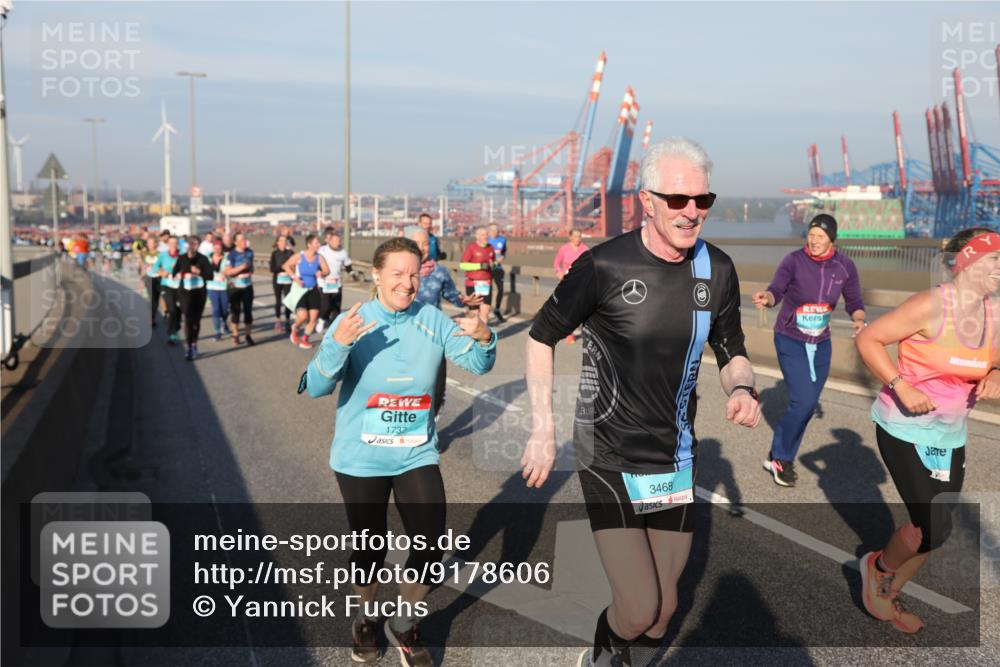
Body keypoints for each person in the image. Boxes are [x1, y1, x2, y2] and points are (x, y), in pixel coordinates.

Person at [522, 138, 761, 667]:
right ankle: (603, 656)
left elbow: (732, 350)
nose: (691, 212)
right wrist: (543, 429)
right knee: (637, 609)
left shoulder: (716, 270)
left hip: (674, 458)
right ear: (646, 201)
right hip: (607, 454)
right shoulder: (602, 266)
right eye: (677, 200)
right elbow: (540, 337)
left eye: (702, 200)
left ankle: (630, 654)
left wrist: (741, 388)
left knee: (663, 610)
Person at [301, 237, 496, 666]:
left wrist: (484, 336)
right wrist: (338, 345)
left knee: (429, 544)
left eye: (414, 274)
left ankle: (404, 623)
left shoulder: (432, 319)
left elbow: (479, 365)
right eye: (397, 274)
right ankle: (366, 617)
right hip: (360, 457)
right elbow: (315, 386)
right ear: (375, 275)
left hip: (415, 453)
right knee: (369, 547)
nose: (407, 284)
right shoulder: (352, 321)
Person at [854, 227, 999, 634]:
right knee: (934, 525)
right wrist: (901, 385)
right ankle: (878, 568)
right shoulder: (930, 305)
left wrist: (996, 375)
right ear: (966, 262)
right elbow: (869, 339)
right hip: (904, 429)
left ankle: (884, 588)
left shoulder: (993, 313)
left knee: (937, 530)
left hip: (950, 437)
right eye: (994, 260)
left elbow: (995, 360)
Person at [751, 214, 866, 487]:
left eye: (820, 236)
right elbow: (776, 289)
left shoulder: (845, 266)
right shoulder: (793, 260)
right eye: (811, 235)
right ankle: (780, 458)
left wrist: (859, 320)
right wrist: (766, 299)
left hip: (821, 343)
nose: (814, 241)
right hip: (790, 338)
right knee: (802, 403)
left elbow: (854, 299)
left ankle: (780, 453)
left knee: (807, 405)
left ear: (831, 240)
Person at [405, 226, 483, 417]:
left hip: (433, 336)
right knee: (409, 386)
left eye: (426, 243)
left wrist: (466, 300)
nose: (422, 248)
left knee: (437, 388)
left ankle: (431, 422)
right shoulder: (400, 271)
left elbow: (452, 294)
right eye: (417, 243)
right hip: (405, 336)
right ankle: (412, 431)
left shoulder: (439, 271)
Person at [284, 234, 329, 350]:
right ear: (309, 244)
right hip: (300, 290)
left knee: (313, 317)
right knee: (303, 316)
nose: (318, 245)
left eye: (318, 243)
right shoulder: (300, 256)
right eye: (316, 243)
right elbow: (286, 265)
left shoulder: (319, 257)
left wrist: (322, 273)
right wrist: (295, 277)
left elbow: (326, 270)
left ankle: (304, 339)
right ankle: (295, 327)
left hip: (313, 289)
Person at [173, 235, 214, 360]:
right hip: (185, 293)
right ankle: (189, 347)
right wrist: (178, 274)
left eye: (195, 244)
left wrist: (199, 272)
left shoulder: (203, 259)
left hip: (199, 293)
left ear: (198, 246)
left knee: (196, 321)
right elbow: (174, 273)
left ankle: (194, 342)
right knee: (188, 320)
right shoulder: (181, 258)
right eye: (190, 243)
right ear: (187, 245)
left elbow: (210, 276)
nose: (192, 245)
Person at [553, 229, 589, 344]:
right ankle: (570, 333)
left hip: (581, 282)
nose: (578, 238)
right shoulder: (564, 249)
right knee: (570, 309)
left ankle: (586, 332)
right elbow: (556, 263)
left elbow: (590, 264)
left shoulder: (585, 249)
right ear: (570, 237)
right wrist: (559, 272)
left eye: (579, 236)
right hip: (567, 281)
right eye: (575, 236)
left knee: (583, 308)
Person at [317, 229, 353, 334]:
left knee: (336, 307)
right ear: (330, 241)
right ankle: (322, 319)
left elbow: (348, 265)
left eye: (339, 241)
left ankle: (333, 328)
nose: (338, 243)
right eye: (336, 241)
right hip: (324, 282)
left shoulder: (342, 252)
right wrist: (318, 272)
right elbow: (315, 261)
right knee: (326, 305)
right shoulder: (322, 250)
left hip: (336, 283)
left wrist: (352, 273)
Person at [460, 226, 496, 324]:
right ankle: (473, 334)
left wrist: (494, 265)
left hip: (486, 284)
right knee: (474, 312)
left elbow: (494, 263)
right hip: (473, 283)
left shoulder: (491, 248)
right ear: (477, 236)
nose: (486, 237)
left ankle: (482, 336)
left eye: (487, 234)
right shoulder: (471, 247)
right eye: (483, 235)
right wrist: (479, 265)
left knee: (485, 311)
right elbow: (462, 265)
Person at [225, 232, 256, 346]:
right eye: (241, 239)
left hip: (247, 286)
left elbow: (251, 267)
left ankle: (248, 336)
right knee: (236, 312)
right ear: (235, 242)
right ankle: (235, 334)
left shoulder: (250, 252)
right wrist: (241, 268)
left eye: (245, 238)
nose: (244, 241)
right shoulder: (231, 255)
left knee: (248, 312)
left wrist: (250, 272)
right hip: (235, 288)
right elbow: (228, 272)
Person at [154, 236, 182, 345]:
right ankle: (172, 334)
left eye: (175, 243)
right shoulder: (163, 255)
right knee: (172, 309)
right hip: (167, 285)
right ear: (168, 244)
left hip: (180, 285)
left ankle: (177, 325)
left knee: (180, 309)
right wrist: (162, 273)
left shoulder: (182, 255)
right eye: (171, 243)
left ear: (177, 244)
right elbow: (155, 267)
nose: (173, 245)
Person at [207, 239, 231, 342]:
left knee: (225, 310)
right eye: (215, 247)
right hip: (212, 288)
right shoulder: (207, 258)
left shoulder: (227, 258)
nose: (217, 249)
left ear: (221, 249)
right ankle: (217, 332)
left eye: (219, 248)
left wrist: (226, 273)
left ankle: (224, 323)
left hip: (224, 287)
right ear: (213, 248)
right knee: (216, 310)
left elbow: (229, 269)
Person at [270, 235, 295, 333]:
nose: (284, 242)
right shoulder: (274, 254)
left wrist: (288, 269)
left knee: (288, 301)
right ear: (277, 242)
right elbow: (272, 269)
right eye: (282, 241)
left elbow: (294, 265)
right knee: (278, 301)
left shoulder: (291, 253)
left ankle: (288, 321)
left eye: (285, 241)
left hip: (288, 280)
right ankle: (278, 321)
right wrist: (284, 267)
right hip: (278, 280)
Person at [487, 223, 507, 323]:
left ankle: (497, 310)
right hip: (487, 269)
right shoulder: (486, 240)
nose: (495, 231)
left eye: (496, 229)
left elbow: (503, 254)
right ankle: (486, 311)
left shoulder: (502, 240)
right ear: (489, 231)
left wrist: (498, 261)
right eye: (492, 229)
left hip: (497, 268)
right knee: (487, 290)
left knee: (501, 289)